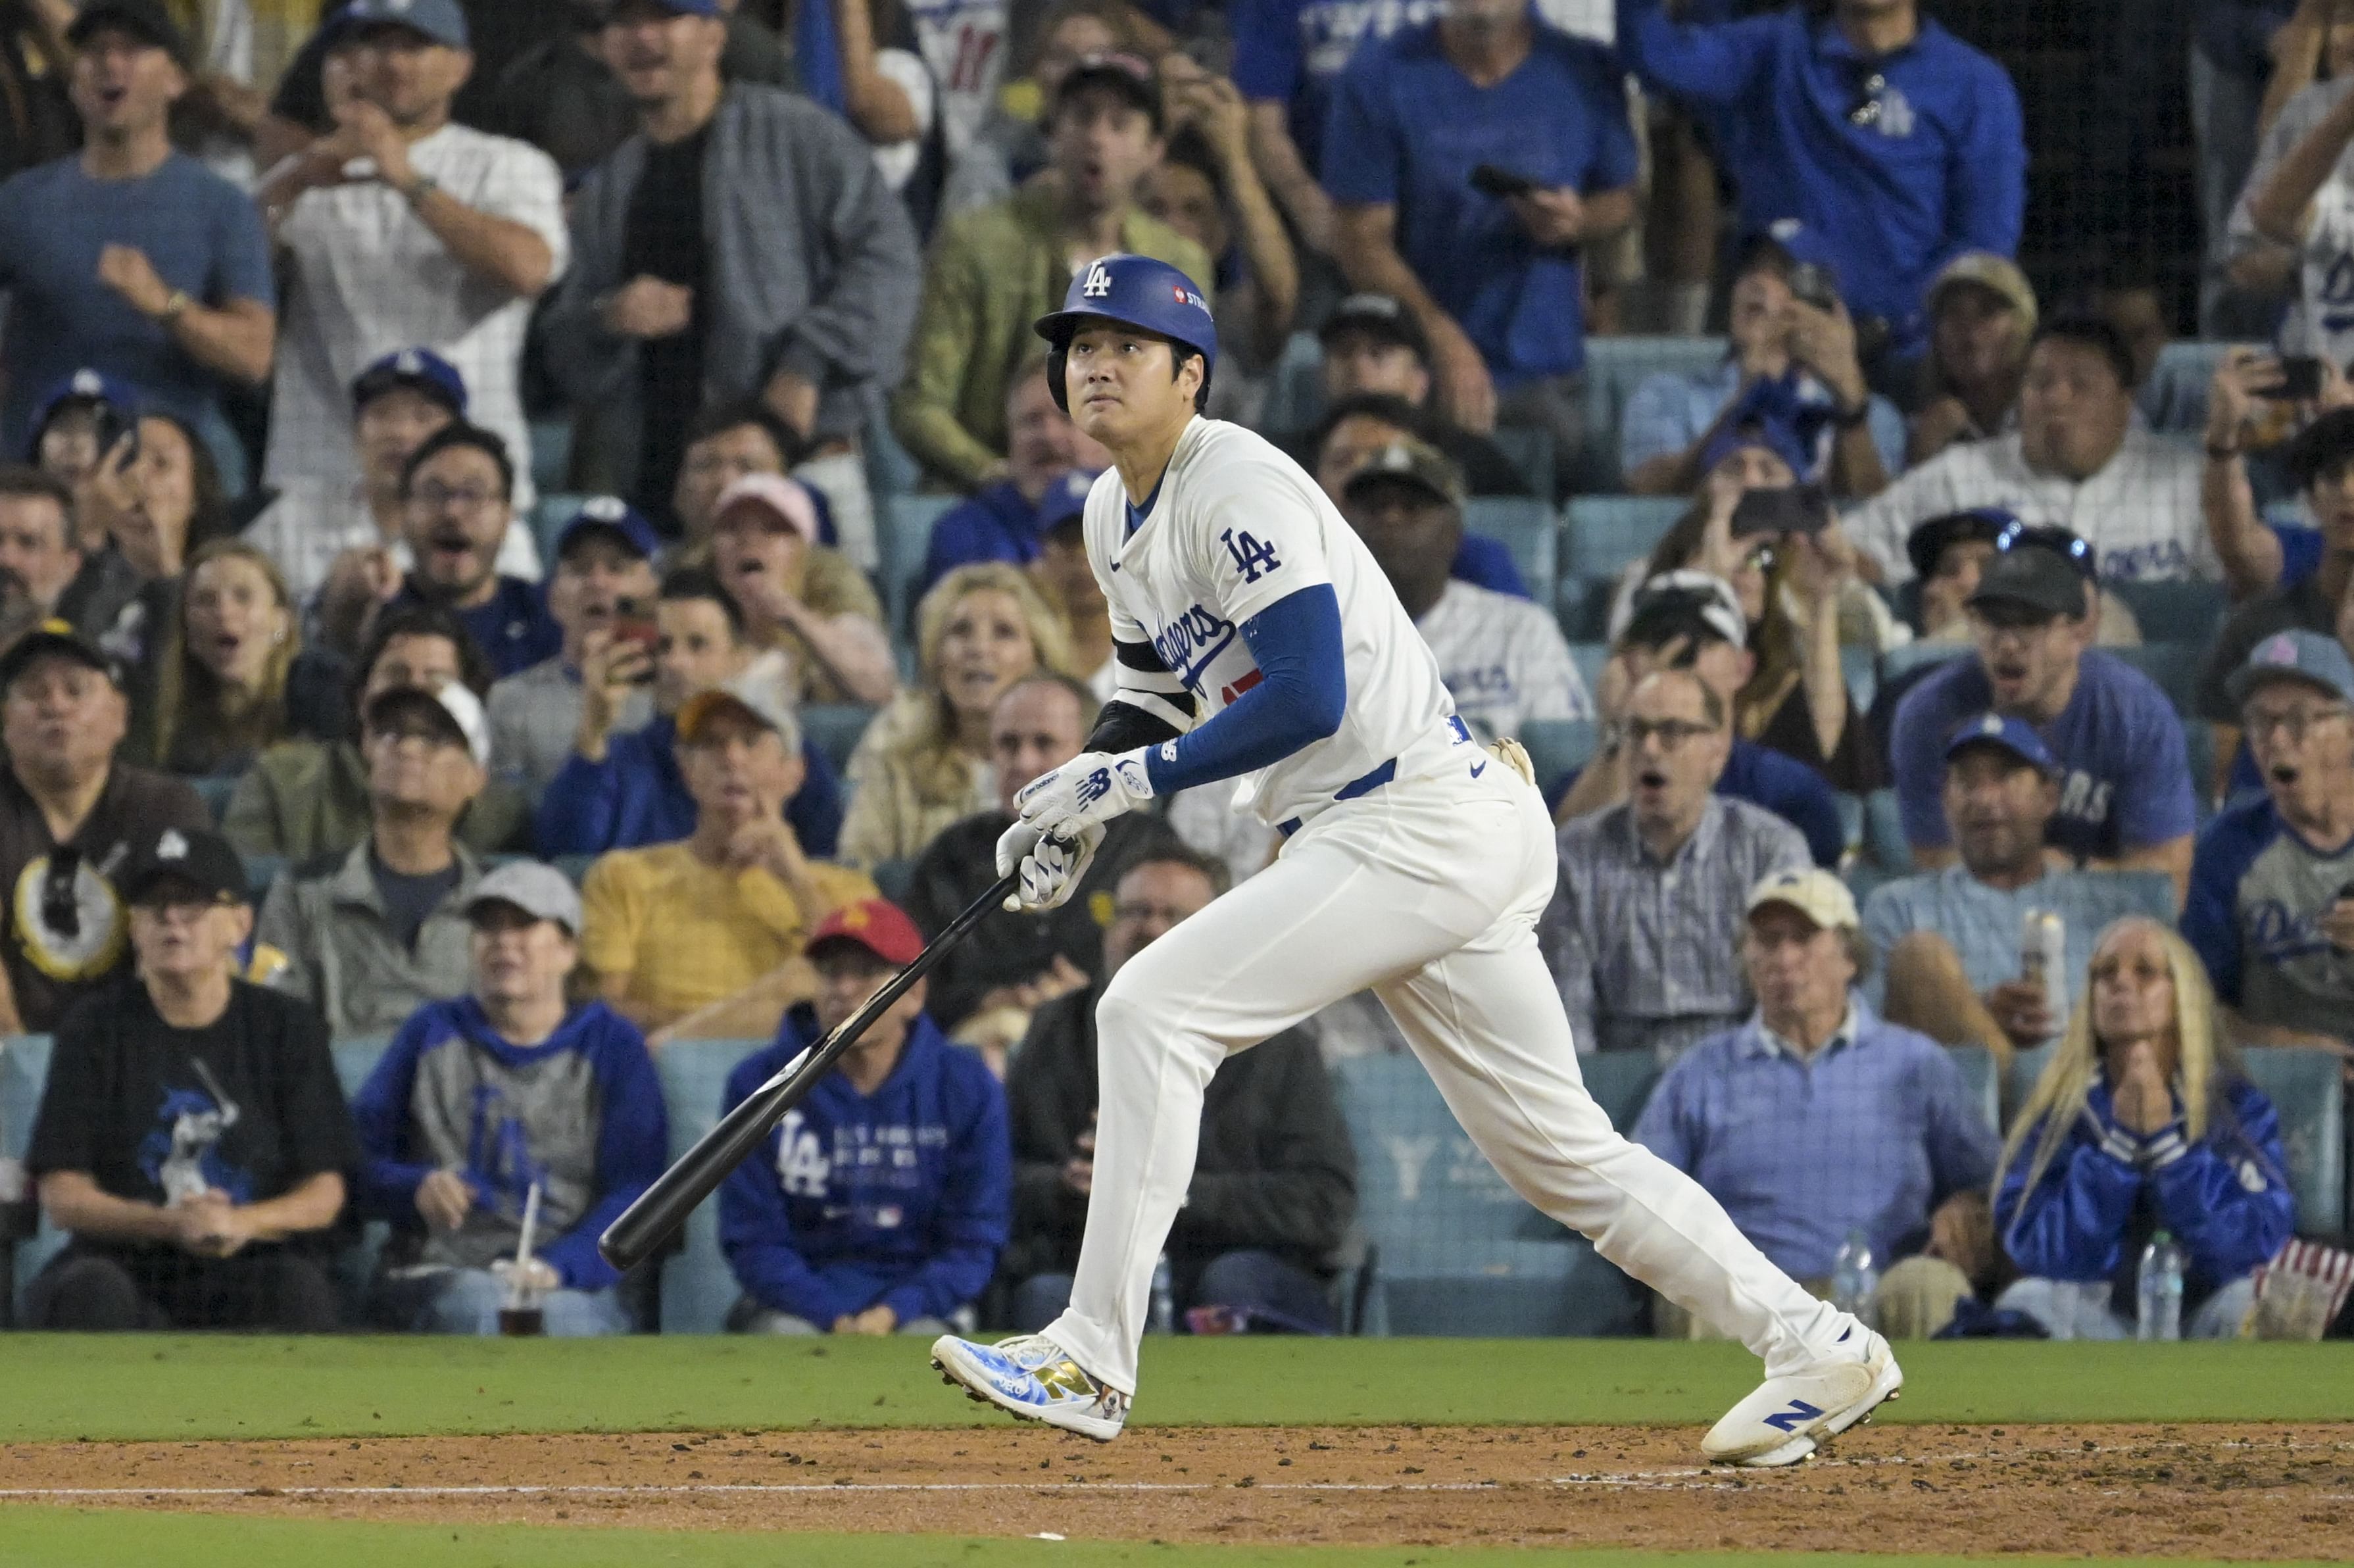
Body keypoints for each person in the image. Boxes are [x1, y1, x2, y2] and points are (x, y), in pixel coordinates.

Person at [930, 255, 1903, 1466]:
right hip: (1409, 826)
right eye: (1078, 344)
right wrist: (1079, 804)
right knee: (1561, 1155)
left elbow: (1303, 692)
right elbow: (1142, 690)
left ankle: (1090, 1349)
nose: (1093, 364)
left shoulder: (1232, 478)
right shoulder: (1105, 513)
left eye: (1124, 344)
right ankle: (1816, 1340)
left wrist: (1123, 783)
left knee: (1148, 1008)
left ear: (1190, 373)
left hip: (1410, 814)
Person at [541, 0, 918, 564]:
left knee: (825, 632)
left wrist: (807, 363)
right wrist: (609, 315)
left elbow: (889, 261)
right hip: (665, 487)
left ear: (714, 37)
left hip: (804, 468)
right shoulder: (611, 186)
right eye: (622, 22)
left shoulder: (798, 135)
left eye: (664, 16)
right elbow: (562, 345)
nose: (642, 37)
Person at [1634, 869, 2001, 1340]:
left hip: (1879, 1285)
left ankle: (1940, 1418)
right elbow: (1642, 1190)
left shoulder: (1915, 1062)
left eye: (1803, 939)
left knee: (1933, 1286)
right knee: (1690, 1293)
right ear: (1747, 959)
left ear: (1848, 957)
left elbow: (1987, 1181)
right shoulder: (1701, 1071)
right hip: (1749, 1293)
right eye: (1767, 942)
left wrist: (1965, 1205)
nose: (1784, 958)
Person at [1003, 843, 1355, 1333]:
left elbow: (1322, 1203)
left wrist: (1174, 1191)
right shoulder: (1052, 1032)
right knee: (1048, 1296)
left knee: (1232, 1284)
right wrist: (1066, 1186)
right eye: (1133, 912)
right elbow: (994, 1179)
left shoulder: (1278, 1042)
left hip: (1236, 1265)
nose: (1148, 928)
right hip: (1087, 1264)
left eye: (1174, 915)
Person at [21, 824, 356, 1332]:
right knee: (89, 1292)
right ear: (133, 928)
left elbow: (325, 1191)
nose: (172, 920)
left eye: (193, 905)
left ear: (240, 924)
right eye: (155, 907)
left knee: (299, 1291)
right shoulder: (93, 1028)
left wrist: (241, 1223)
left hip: (251, 1259)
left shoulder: (288, 1027)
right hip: (124, 1259)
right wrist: (168, 1224)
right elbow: (63, 1195)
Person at [255, 0, 567, 520]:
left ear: (461, 65)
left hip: (470, 480)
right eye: (375, 45)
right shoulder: (307, 174)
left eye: (415, 46)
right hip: (323, 478)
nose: (393, 64)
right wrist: (291, 183)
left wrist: (406, 178)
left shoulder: (506, 163)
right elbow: (222, 281)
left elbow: (527, 269)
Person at [1617, 0, 2024, 374]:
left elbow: (1983, 245)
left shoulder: (1975, 86)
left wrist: (1885, 324)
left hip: (1905, 365)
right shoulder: (1774, 49)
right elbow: (1657, 56)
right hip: (1778, 357)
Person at [353, 860, 666, 1336]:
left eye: (523, 926)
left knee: (558, 1321)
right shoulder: (429, 1032)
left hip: (570, 1282)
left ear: (567, 950)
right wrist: (414, 1186)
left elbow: (637, 1191)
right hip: (440, 1274)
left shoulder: (613, 1046)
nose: (502, 941)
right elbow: (355, 1161)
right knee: (483, 1308)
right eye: (487, 927)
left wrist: (560, 1267)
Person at [1324, 0, 1637, 462]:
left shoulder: (1584, 69)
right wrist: (1440, 337)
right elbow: (1360, 241)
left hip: (1549, 366)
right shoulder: (1378, 75)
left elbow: (1623, 198)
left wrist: (1578, 221)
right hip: (1415, 378)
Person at [891, 53, 1208, 495]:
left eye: (1119, 124)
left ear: (1153, 151)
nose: (1096, 138)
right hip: (989, 495)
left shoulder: (1178, 265)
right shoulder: (976, 243)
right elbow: (919, 404)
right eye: (1081, 118)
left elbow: (1181, 410)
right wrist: (997, 476)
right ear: (1052, 134)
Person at [0, 0, 275, 485]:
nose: (111, 63)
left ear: (176, 80)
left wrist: (164, 303)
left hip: (169, 475)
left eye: (135, 49)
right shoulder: (19, 202)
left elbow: (253, 356)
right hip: (41, 478)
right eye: (94, 50)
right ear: (74, 78)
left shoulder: (221, 205)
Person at [718, 896, 1011, 1336]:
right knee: (786, 1338)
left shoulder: (967, 1086)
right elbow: (753, 1238)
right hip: (794, 1307)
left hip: (921, 1307)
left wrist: (893, 1312)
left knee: (928, 1346)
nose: (843, 989)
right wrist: (830, 1315)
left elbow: (973, 1240)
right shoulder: (759, 1085)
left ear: (914, 993)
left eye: (867, 972)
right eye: (831, 972)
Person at [1992, 917, 2294, 1340]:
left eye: (2145, 972)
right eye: (2105, 973)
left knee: (2258, 1304)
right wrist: (2117, 1153)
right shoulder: (2059, 1115)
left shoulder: (2237, 1109)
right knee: (2027, 1301)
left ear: (2180, 995)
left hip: (2207, 1316)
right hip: (2099, 1322)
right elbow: (2038, 1251)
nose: (2120, 983)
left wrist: (2170, 1153)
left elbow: (2258, 1245)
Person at [1865, 715, 2181, 1071]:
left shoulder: (2115, 910)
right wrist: (1973, 1014)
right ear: (1946, 803)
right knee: (1920, 957)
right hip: (1965, 1115)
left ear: (2049, 797)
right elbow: (1866, 1045)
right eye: (1967, 781)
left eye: (2004, 777)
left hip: (2091, 1105)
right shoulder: (1899, 907)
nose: (1984, 798)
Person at [1890, 533, 2198, 896]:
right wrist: (2034, 878)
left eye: (2028, 622)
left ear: (2077, 632)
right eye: (1992, 621)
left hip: (2105, 926)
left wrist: (2067, 874)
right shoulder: (1928, 714)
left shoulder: (2137, 716)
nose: (2006, 643)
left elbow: (2167, 886)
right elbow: (1937, 873)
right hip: (1979, 925)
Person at [1547, 666, 1813, 1062]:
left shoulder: (1770, 850)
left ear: (1717, 751)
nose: (1650, 749)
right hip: (1617, 1085)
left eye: (1672, 732)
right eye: (1636, 732)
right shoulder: (1575, 855)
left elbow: (1791, 1000)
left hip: (1742, 1072)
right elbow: (1568, 1019)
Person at [579, 685, 873, 1038]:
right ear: (687, 771)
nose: (732, 758)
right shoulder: (623, 876)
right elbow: (604, 1009)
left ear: (794, 772)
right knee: (796, 985)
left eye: (750, 742)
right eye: (710, 744)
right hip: (669, 1071)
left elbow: (868, 1000)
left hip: (796, 1075)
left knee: (810, 982)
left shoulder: (846, 889)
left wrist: (797, 880)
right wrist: (722, 1032)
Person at [904, 674, 1168, 1063]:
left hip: (1112, 1052)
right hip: (976, 1057)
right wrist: (986, 1000)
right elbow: (911, 982)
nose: (1024, 762)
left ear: (1092, 753)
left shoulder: (1150, 850)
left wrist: (1087, 997)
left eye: (1044, 744)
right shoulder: (951, 857)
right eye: (1008, 745)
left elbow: (1178, 976)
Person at [1845, 318, 2219, 590]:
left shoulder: (2184, 478)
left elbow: (2245, 583)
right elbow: (1854, 551)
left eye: (2080, 385)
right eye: (2041, 383)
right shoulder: (1959, 477)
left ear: (2125, 404)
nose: (2056, 398)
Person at [533, 565, 845, 858]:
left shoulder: (783, 759)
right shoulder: (619, 759)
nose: (675, 663)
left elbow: (831, 867)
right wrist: (592, 730)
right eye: (664, 646)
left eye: (698, 645)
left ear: (739, 660)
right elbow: (565, 855)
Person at [0, 621, 210, 1033]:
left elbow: (190, 947)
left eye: (75, 690)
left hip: (138, 1051)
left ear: (119, 716)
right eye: (34, 692)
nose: (56, 706)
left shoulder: (167, 807)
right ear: (6, 722)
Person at [1554, 574, 1848, 868]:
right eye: (1657, 641)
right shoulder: (1581, 786)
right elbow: (1561, 866)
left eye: (1699, 641)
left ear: (1742, 667)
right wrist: (1622, 729)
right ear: (1629, 664)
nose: (1677, 657)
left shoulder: (1787, 790)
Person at [256, 679, 493, 1040]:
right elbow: (274, 1027)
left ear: (476, 777)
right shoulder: (300, 892)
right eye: (391, 734)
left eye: (434, 738)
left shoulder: (502, 904)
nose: (408, 748)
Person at [224, 602, 531, 860]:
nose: (415, 690)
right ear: (361, 698)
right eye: (397, 674)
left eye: (437, 679)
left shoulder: (499, 816)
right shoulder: (281, 783)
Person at [245, 348, 537, 614]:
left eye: (424, 416)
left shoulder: (496, 527)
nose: (400, 433)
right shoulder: (294, 517)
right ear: (357, 434)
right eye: (382, 415)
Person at [1338, 439, 1589, 743]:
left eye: (1412, 507)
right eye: (1375, 508)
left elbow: (1562, 756)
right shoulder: (1318, 628)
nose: (1391, 519)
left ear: (1454, 531)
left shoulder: (1520, 629)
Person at [1619, 232, 1903, 500]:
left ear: (1824, 308)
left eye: (1781, 275)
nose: (1756, 282)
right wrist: (1744, 401)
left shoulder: (1876, 415)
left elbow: (1871, 517)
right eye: (1749, 270)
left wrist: (1850, 407)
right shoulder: (1667, 394)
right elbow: (1649, 499)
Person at [2184, 629, 2354, 1050]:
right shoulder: (2226, 846)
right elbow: (2202, 1010)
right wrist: (2296, 1052)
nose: (2276, 740)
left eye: (2299, 721)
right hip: (2279, 1093)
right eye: (2261, 721)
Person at [839, 562, 1071, 869]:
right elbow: (858, 872)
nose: (978, 648)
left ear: (1040, 657)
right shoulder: (896, 760)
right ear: (936, 656)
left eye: (1004, 632)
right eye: (961, 631)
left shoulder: (1084, 759)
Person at [1141, 57, 1299, 426]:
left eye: (1193, 210)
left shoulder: (1227, 317)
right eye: (1157, 210)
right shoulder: (1102, 309)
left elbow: (1278, 296)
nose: (1174, 228)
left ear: (1222, 230)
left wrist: (1234, 154)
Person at [341, 420, 558, 679]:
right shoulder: (373, 611)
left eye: (473, 494)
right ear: (404, 511)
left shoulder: (547, 615)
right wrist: (348, 602)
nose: (452, 512)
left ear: (507, 515)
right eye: (434, 493)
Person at [486, 499, 661, 802]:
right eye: (580, 570)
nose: (597, 582)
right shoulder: (510, 699)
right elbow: (510, 823)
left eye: (617, 568)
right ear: (554, 598)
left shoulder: (675, 695)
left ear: (653, 595)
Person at [1280, 293, 1529, 498]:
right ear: (1322, 375)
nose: (1358, 367)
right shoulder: (1284, 459)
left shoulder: (1467, 458)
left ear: (1419, 380)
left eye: (1379, 353)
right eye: (1344, 353)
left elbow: (1519, 519)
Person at [137, 539, 340, 777]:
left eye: (243, 596)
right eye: (206, 600)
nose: (224, 612)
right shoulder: (161, 733)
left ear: (281, 622)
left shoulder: (324, 706)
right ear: (188, 633)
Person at [1304, 393, 1531, 598]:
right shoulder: (1294, 549)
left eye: (1382, 458)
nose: (1360, 474)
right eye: (1343, 461)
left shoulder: (1476, 558)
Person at [918, 359, 1110, 597]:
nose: (1049, 435)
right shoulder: (965, 534)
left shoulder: (1149, 518)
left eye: (1066, 417)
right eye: (1031, 421)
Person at [709, 472, 895, 705]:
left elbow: (879, 690)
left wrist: (794, 615)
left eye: (772, 529)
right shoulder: (687, 611)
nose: (748, 539)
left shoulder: (838, 615)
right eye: (731, 528)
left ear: (804, 552)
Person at [1905, 253, 2040, 468]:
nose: (1969, 329)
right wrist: (1921, 457)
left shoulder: (2051, 420)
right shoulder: (1914, 430)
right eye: (1953, 312)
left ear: (2023, 328)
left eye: (1988, 311)